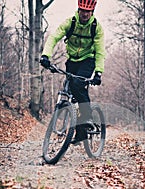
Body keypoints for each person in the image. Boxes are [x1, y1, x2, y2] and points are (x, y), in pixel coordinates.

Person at [40, 0, 105, 144]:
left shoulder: (96, 28)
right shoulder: (70, 22)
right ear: (79, 9)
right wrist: (46, 55)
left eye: (88, 11)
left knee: (77, 84)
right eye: (83, 10)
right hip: (72, 61)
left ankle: (87, 118)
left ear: (92, 12)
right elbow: (54, 37)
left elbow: (100, 51)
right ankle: (80, 132)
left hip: (88, 60)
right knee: (71, 90)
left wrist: (98, 72)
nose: (85, 14)